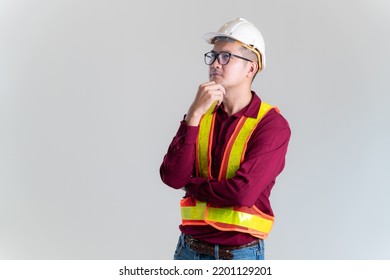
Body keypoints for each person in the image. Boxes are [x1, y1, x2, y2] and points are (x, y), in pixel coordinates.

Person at [160, 18, 291, 260]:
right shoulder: (201, 115)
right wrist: (194, 114)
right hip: (188, 251)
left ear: (251, 68)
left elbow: (242, 193)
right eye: (213, 56)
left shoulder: (271, 125)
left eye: (226, 57)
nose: (215, 64)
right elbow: (172, 177)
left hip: (239, 256)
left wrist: (192, 185)